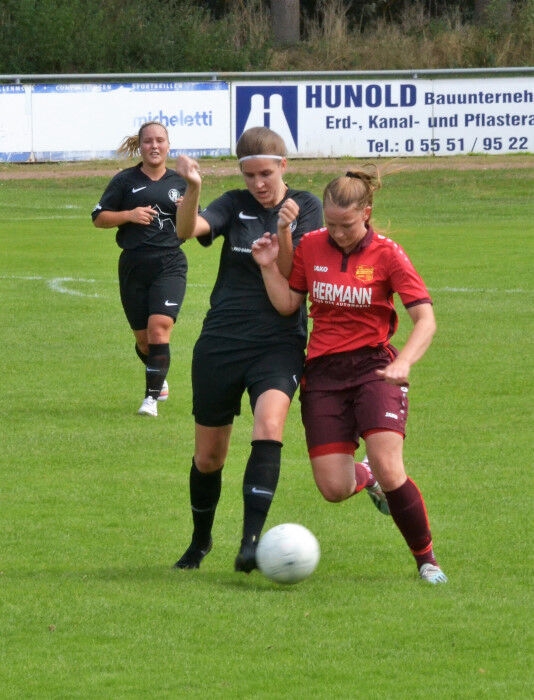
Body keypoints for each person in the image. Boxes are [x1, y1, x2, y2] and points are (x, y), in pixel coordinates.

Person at [172, 127, 382, 574]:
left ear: (283, 166)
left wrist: (284, 230)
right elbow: (186, 230)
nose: (258, 184)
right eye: (250, 176)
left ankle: (250, 545)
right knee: (209, 457)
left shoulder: (304, 206)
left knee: (268, 426)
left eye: (265, 174)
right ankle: (200, 541)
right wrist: (192, 187)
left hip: (278, 341)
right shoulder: (234, 203)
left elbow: (293, 277)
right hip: (220, 342)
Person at [251, 167, 448, 584]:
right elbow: (288, 304)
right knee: (334, 488)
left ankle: (427, 561)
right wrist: (270, 264)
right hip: (323, 374)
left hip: (376, 368)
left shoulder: (388, 254)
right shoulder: (310, 245)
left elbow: (426, 320)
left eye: (347, 225)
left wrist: (404, 362)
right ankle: (366, 476)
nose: (338, 234)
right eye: (331, 224)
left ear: (367, 213)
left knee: (390, 465)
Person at [91, 121, 188, 417]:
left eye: (160, 140)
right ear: (141, 146)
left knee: (159, 330)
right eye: (148, 141)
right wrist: (129, 215)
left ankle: (150, 399)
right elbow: (98, 218)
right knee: (144, 341)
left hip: (169, 263)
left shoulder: (180, 183)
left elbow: (193, 226)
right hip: (133, 265)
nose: (154, 146)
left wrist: (186, 211)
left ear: (168, 145)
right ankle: (158, 374)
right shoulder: (124, 181)